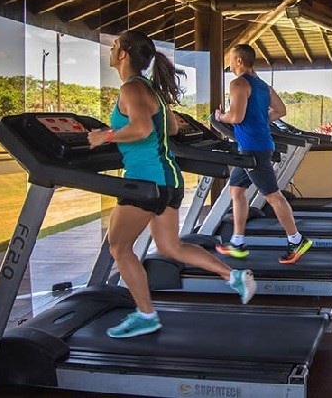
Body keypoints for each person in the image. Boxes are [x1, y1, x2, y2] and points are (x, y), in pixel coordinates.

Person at [88, 31, 256, 339]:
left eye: (113, 47)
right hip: (170, 180)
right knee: (170, 246)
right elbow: (174, 126)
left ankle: (146, 314)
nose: (110, 51)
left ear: (124, 54)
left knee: (119, 247)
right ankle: (233, 276)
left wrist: (105, 136)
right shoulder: (151, 89)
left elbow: (140, 128)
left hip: (145, 181)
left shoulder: (131, 88)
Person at [215, 44, 312, 264]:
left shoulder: (238, 83)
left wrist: (221, 116)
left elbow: (236, 117)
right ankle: (237, 242)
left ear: (239, 61)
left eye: (231, 59)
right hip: (256, 145)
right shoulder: (262, 85)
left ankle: (296, 240)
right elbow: (280, 111)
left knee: (273, 196)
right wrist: (259, 120)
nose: (229, 64)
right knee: (236, 189)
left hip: (252, 148)